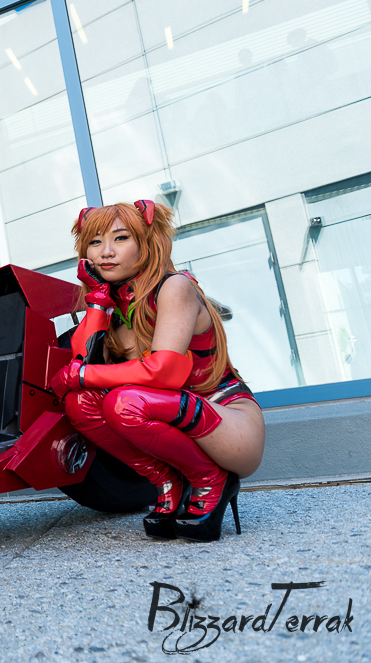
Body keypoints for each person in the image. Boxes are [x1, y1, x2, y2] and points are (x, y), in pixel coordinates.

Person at [49, 200, 265, 542]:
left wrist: (80, 376)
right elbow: (83, 360)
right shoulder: (116, 305)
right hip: (173, 412)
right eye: (95, 242)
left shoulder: (175, 287)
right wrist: (98, 300)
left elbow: (164, 373)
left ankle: (210, 479)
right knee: (81, 403)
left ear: (146, 242)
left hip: (230, 421)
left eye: (120, 238)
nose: (106, 252)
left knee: (124, 402)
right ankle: (167, 481)